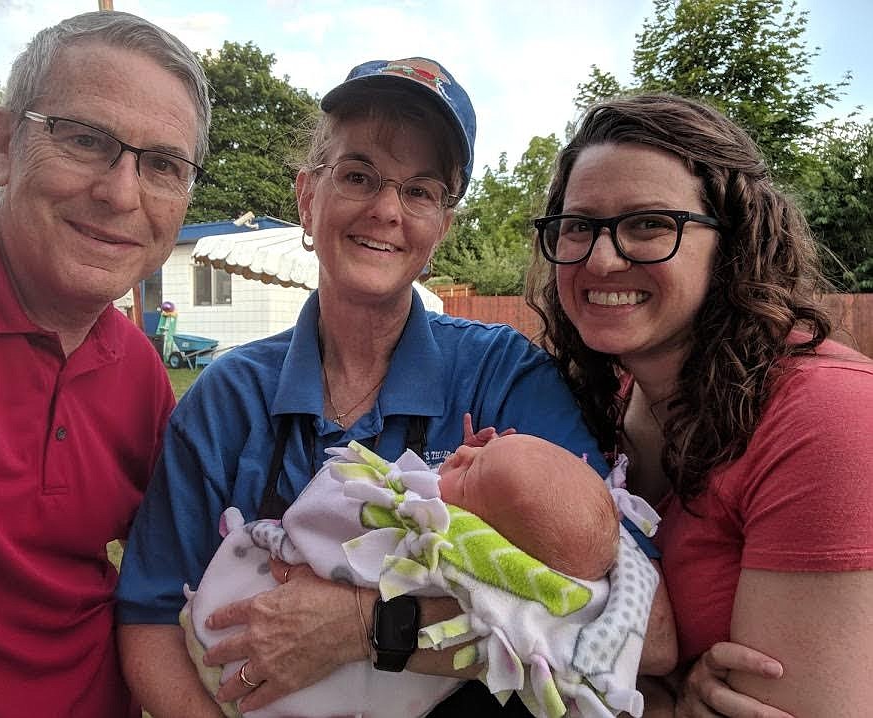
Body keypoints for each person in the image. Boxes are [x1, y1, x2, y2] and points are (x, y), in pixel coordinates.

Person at [116, 57, 674, 717]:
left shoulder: (502, 375)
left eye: (419, 190)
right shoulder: (227, 398)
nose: (386, 210)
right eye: (358, 176)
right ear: (306, 195)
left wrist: (368, 627)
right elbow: (149, 621)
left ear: (442, 224)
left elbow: (644, 630)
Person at [525, 93, 873, 717]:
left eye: (649, 224)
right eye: (578, 225)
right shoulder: (601, 406)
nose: (601, 258)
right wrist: (668, 699)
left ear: (733, 243)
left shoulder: (828, 418)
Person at [0, 11, 210, 717]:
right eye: (85, 140)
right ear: (3, 146)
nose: (120, 194)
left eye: (163, 165)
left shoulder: (139, 371)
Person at [181, 431, 661, 718]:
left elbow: (330, 517)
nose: (465, 454)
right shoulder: (232, 387)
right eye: (490, 446)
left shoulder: (451, 551)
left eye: (472, 477)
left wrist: (361, 623)